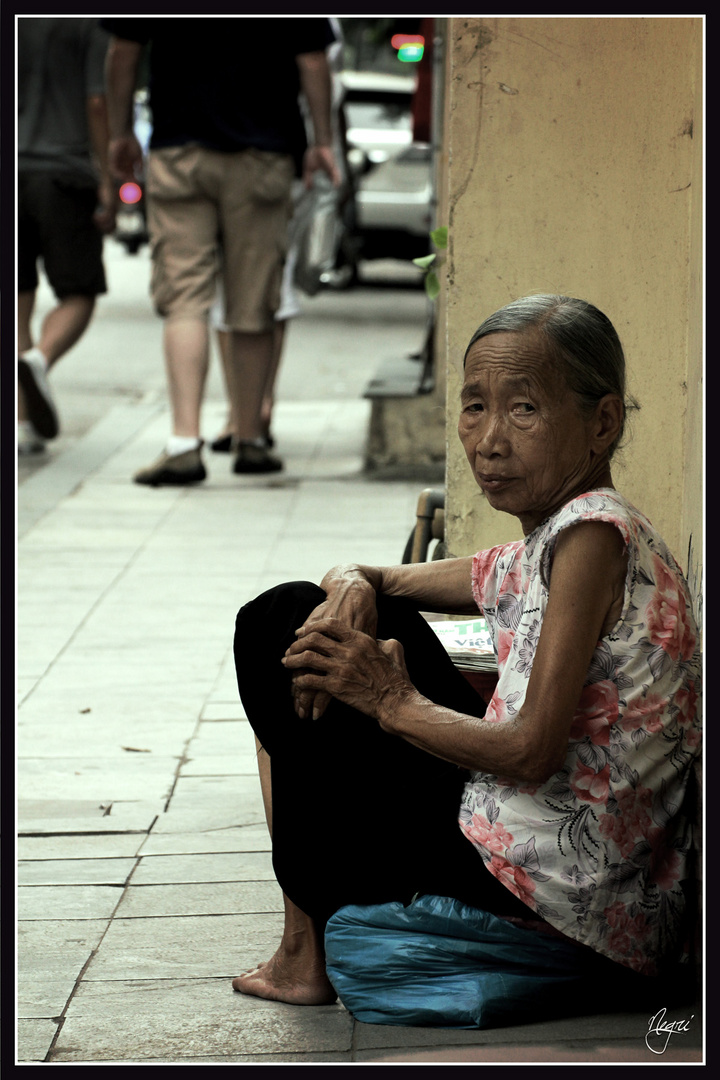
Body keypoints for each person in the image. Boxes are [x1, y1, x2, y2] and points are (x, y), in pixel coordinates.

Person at [232, 295, 701, 1009]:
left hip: (559, 889)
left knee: (277, 625)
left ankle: (305, 949)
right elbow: (395, 578)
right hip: (532, 845)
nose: (488, 440)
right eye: (474, 406)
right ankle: (306, 939)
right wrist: (356, 582)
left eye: (524, 410)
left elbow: (532, 750)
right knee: (314, 614)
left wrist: (391, 700)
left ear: (602, 423)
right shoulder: (561, 534)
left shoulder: (590, 538)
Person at [102, 17, 340, 485]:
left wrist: (121, 131)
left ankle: (184, 442)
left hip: (179, 149)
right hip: (263, 153)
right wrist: (322, 141)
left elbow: (122, 52)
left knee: (184, 299)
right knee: (254, 299)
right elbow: (313, 59)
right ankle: (250, 438)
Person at [17, 17, 115, 455]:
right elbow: (98, 101)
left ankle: (21, 423)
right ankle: (40, 358)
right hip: (66, 174)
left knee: (17, 296)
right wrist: (108, 178)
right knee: (79, 292)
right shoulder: (90, 22)